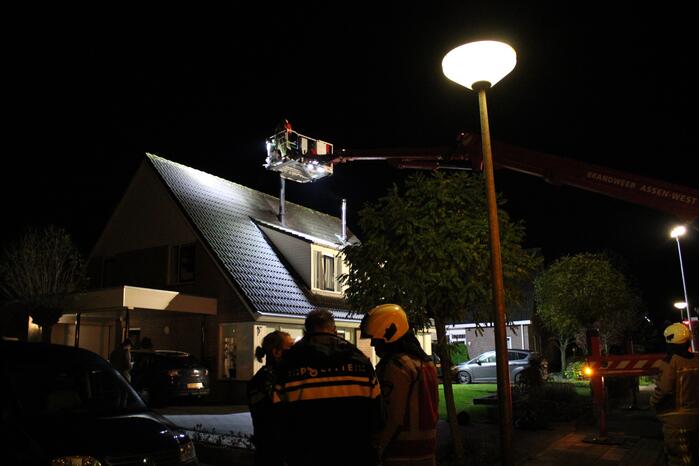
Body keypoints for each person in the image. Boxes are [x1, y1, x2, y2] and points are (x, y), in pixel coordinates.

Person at [273, 309, 383, 466]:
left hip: (307, 457)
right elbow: (377, 415)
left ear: (306, 331)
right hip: (355, 455)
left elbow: (278, 418)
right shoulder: (360, 361)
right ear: (335, 330)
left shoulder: (288, 364)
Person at [360, 304, 439, 466]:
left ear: (390, 333)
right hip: (426, 452)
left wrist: (377, 449)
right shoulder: (426, 364)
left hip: (399, 453)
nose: (373, 344)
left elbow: (392, 416)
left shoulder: (397, 366)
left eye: (376, 339)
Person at [650, 322, 698, 466]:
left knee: (680, 460)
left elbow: (663, 389)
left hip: (676, 421)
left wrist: (653, 402)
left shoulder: (671, 362)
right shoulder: (697, 360)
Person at [247, 330, 294, 466]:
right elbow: (279, 412)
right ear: (276, 352)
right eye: (290, 348)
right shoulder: (264, 380)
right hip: (272, 450)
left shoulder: (274, 376)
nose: (294, 352)